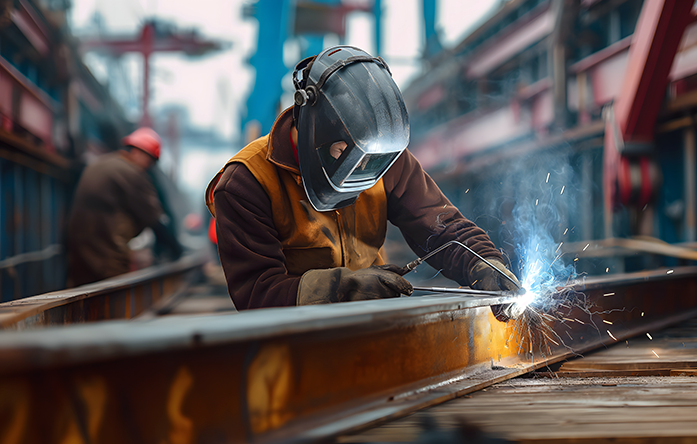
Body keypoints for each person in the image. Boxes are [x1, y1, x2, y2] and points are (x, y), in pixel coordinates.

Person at [205, 46, 520, 314]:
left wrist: (482, 263)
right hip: (292, 348)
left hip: (367, 329)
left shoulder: (384, 157)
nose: (364, 172)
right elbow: (258, 293)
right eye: (348, 155)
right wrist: (343, 288)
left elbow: (440, 226)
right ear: (318, 134)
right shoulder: (246, 182)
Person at [67, 128, 182, 287]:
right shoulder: (132, 173)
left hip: (77, 253)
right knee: (113, 298)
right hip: (107, 255)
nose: (148, 168)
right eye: (149, 162)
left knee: (83, 297)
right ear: (139, 153)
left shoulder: (100, 163)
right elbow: (154, 217)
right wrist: (174, 248)